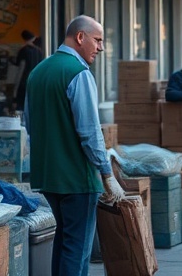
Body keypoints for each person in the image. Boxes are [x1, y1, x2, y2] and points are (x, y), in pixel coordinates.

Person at [23, 15, 125, 276]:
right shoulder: (78, 73)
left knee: (64, 242)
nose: (101, 48)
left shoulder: (38, 72)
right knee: (77, 248)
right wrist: (106, 173)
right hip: (77, 177)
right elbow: (90, 132)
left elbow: (30, 124)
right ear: (81, 37)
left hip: (48, 175)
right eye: (98, 40)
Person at [14, 30, 43, 113]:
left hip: (24, 81)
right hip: (37, 81)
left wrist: (15, 91)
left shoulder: (23, 51)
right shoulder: (39, 51)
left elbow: (20, 68)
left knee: (22, 107)